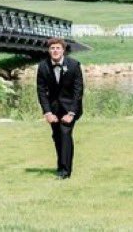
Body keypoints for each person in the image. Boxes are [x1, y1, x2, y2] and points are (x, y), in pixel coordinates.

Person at [36, 38, 84, 179]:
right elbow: (41, 91)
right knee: (57, 136)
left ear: (63, 50)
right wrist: (47, 112)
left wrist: (71, 113)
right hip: (54, 109)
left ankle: (65, 171)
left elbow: (78, 91)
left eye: (58, 48)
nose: (55, 51)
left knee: (64, 133)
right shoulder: (43, 66)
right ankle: (61, 165)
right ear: (49, 50)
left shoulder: (74, 65)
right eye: (52, 48)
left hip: (71, 107)